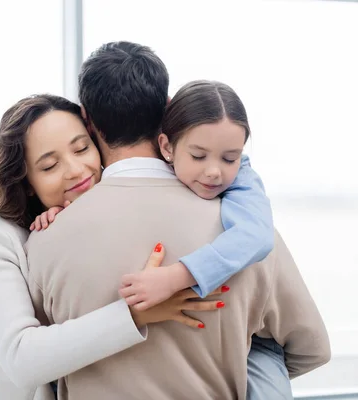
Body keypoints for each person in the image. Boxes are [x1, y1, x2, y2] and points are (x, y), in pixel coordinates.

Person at [26, 42, 330, 399]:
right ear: (168, 108)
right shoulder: (245, 232)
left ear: (88, 120)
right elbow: (312, 348)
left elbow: (35, 363)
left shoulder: (44, 240)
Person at [0, 95, 227, 400]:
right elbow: (20, 359)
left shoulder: (100, 210)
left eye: (81, 148)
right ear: (25, 182)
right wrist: (134, 314)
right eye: (49, 166)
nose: (76, 170)